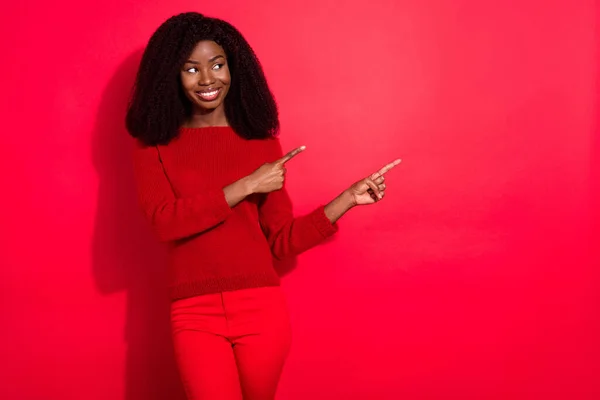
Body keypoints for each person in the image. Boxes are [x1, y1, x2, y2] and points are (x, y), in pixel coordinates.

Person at [125, 12, 401, 400]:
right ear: (170, 75)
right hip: (194, 312)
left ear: (235, 69)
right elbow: (163, 222)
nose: (208, 80)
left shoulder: (259, 144)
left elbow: (281, 242)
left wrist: (347, 200)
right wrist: (246, 185)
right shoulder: (152, 146)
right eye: (191, 69)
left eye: (218, 65)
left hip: (261, 308)